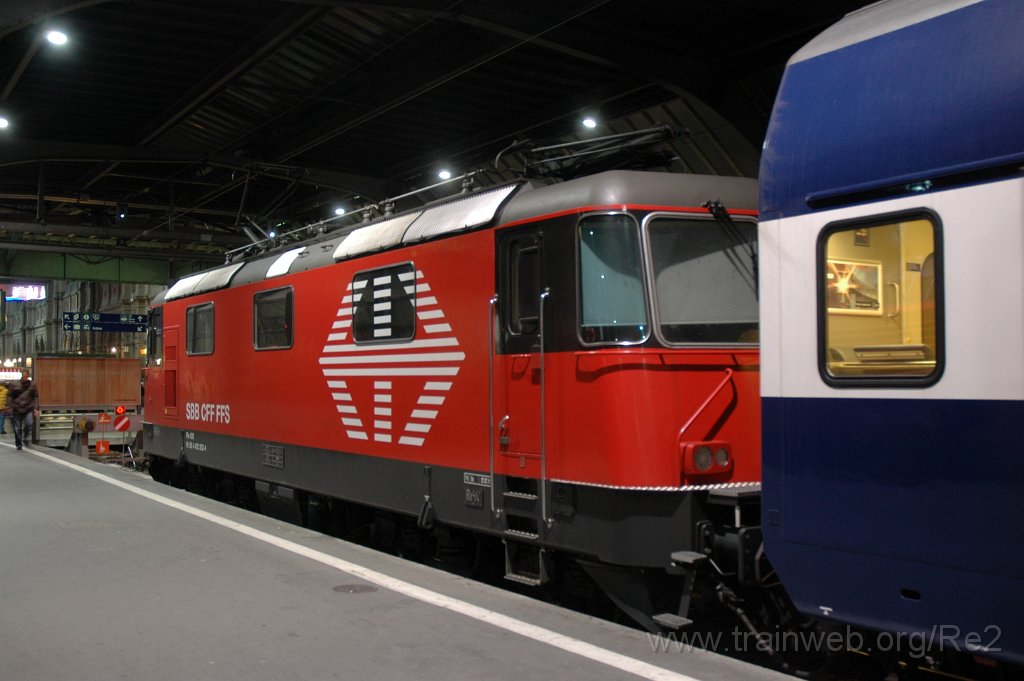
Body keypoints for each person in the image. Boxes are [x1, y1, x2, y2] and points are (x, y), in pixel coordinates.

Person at [9, 372, 39, 451]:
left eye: (27, 377)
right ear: (21, 376)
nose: (25, 378)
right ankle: (19, 444)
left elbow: (36, 397)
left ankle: (25, 437)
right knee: (17, 428)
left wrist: (36, 408)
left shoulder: (32, 385)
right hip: (17, 408)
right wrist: (10, 407)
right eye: (24, 377)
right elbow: (9, 396)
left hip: (28, 407)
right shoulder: (14, 384)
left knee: (29, 423)